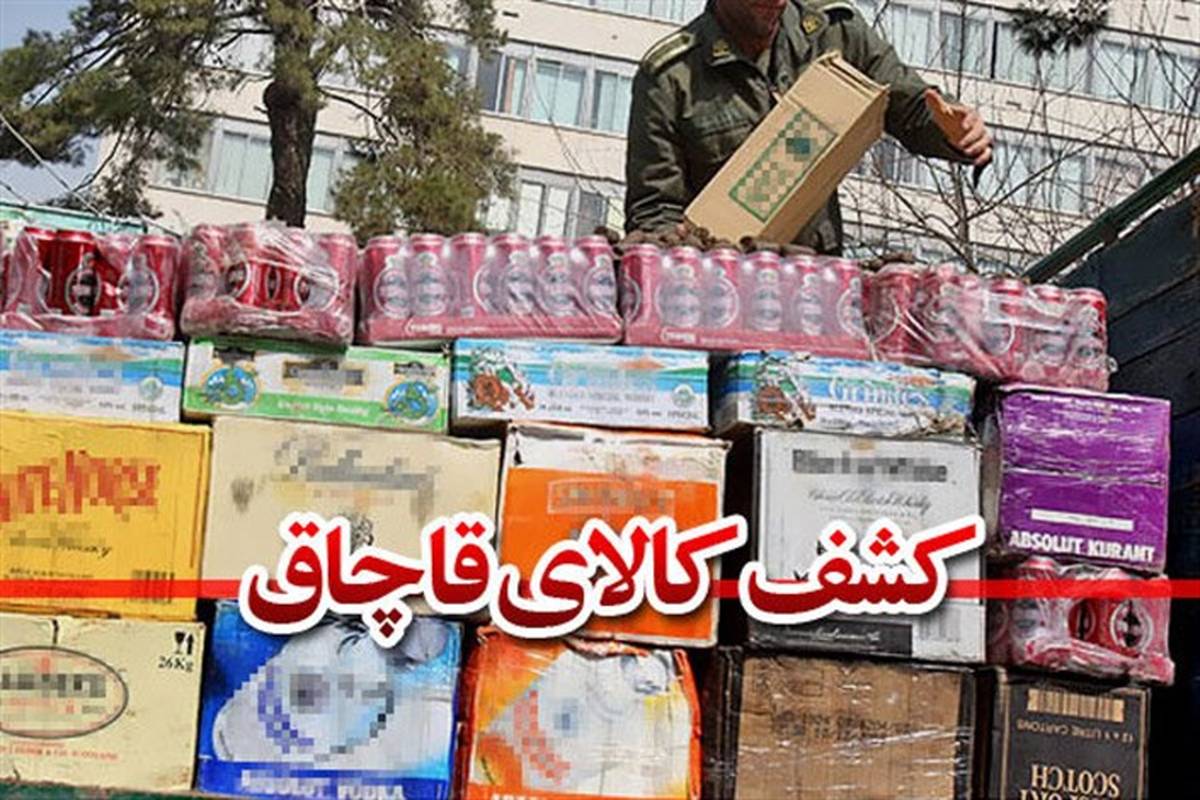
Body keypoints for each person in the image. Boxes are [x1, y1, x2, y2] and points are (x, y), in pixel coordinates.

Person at [624, 0, 994, 253]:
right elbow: (655, 209)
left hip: (815, 282)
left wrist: (955, 133)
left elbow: (911, 106)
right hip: (720, 291)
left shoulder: (834, 31)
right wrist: (683, 256)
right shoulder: (671, 77)